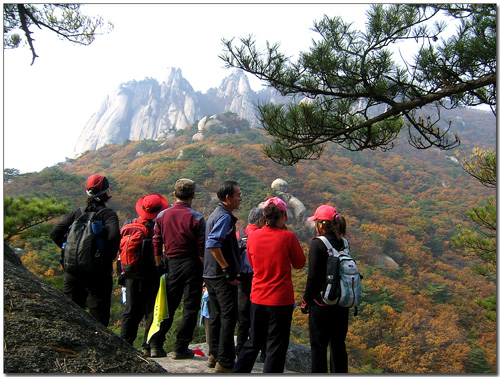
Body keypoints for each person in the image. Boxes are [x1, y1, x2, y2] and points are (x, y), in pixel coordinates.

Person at [233, 197, 306, 373]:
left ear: (264, 216)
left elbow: (251, 261)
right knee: (276, 345)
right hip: (281, 300)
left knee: (253, 342)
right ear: (283, 216)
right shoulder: (288, 236)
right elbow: (299, 263)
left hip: (258, 297)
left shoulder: (253, 236)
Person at [50, 174, 120, 327]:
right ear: (107, 192)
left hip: (72, 270)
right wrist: (108, 256)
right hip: (98, 271)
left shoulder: (77, 213)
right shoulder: (108, 214)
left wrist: (70, 249)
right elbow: (114, 235)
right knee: (98, 315)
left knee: (70, 314)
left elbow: (55, 233)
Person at [148, 179, 206, 359]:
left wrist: (159, 265)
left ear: (175, 194)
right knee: (190, 306)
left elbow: (157, 241)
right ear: (193, 196)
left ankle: (156, 345)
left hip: (171, 263)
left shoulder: (162, 216)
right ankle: (181, 347)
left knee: (167, 305)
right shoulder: (196, 218)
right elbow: (201, 247)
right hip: (192, 264)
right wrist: (205, 269)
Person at [301, 205, 350, 373]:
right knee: (338, 345)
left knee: (319, 347)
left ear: (322, 224)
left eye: (316, 222)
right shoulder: (344, 242)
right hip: (342, 302)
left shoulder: (318, 243)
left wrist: (305, 300)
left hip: (321, 303)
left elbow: (313, 277)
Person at [119, 194, 168, 356]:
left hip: (131, 273)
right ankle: (148, 347)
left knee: (131, 310)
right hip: (151, 274)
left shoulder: (129, 224)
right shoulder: (156, 227)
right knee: (151, 311)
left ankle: (124, 344)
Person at [203, 180, 242, 373]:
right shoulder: (225, 217)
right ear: (228, 198)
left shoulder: (216, 214)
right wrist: (227, 268)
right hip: (220, 275)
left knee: (217, 314)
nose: (240, 198)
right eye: (238, 195)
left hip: (210, 273)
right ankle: (225, 361)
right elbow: (213, 243)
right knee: (229, 315)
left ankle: (214, 354)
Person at [235, 208, 265, 357]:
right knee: (259, 318)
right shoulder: (261, 236)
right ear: (260, 221)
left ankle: (239, 348)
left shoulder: (238, 235)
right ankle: (263, 352)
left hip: (240, 281)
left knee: (243, 318)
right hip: (258, 280)